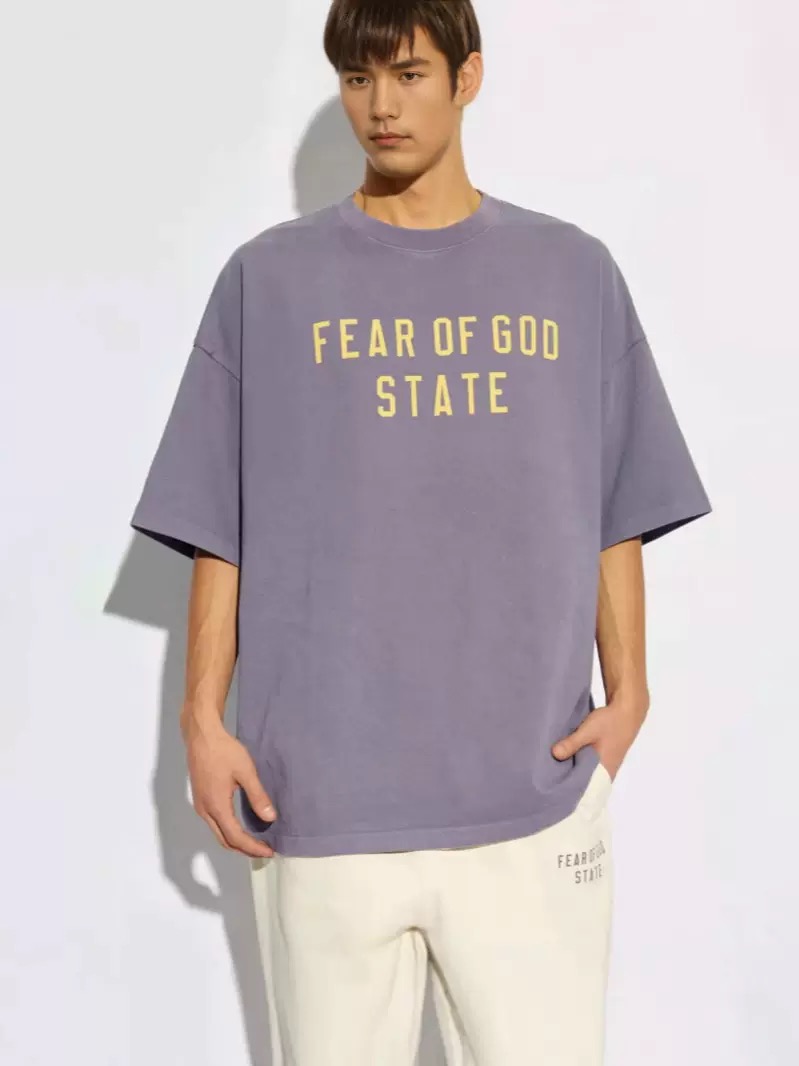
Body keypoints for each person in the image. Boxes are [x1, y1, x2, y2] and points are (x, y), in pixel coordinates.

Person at [129, 1, 712, 1062]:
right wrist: (200, 720)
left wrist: (628, 692)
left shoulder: (570, 273)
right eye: (358, 80)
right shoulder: (268, 280)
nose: (380, 106)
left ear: (466, 78)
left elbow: (615, 499)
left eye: (406, 74)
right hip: (322, 805)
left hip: (528, 802)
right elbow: (220, 519)